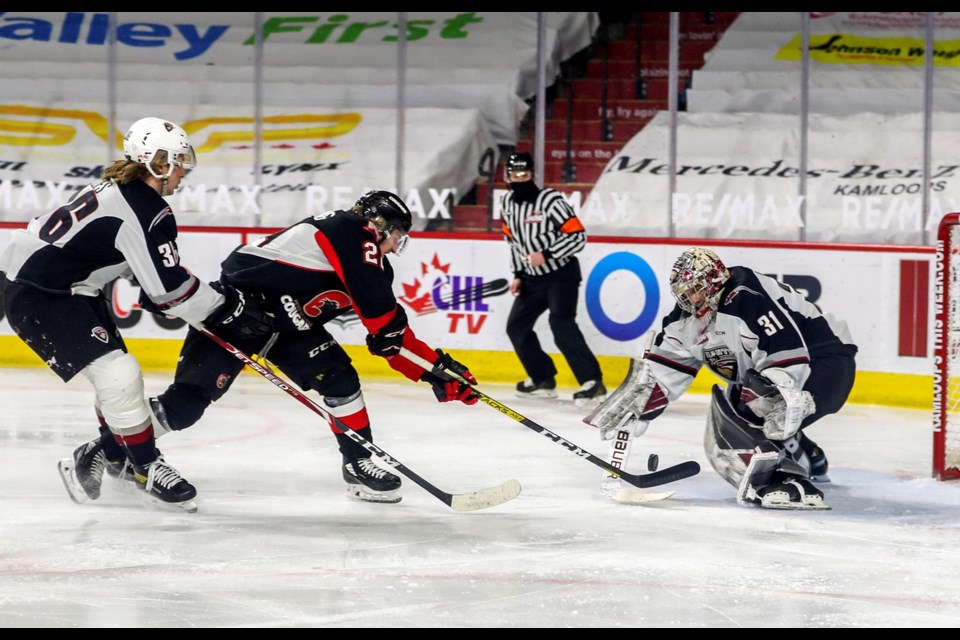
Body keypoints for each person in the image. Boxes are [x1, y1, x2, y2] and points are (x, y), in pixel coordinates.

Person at [70, 190, 480, 505]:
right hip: (237, 316)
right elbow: (236, 267)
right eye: (395, 237)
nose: (394, 247)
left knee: (340, 379)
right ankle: (102, 450)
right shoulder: (348, 232)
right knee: (188, 403)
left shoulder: (366, 257)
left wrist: (434, 371)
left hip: (290, 331)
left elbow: (388, 338)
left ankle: (357, 462)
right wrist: (432, 366)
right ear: (377, 225)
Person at [0, 117, 272, 512]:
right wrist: (225, 310)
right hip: (41, 294)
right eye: (177, 162)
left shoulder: (123, 191)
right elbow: (171, 290)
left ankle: (116, 457)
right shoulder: (146, 209)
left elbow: (119, 255)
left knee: (116, 378)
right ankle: (145, 466)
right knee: (119, 374)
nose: (183, 171)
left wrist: (158, 285)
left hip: (66, 286)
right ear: (157, 162)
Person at [584, 247, 858, 510]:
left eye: (695, 290)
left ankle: (787, 480)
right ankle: (806, 456)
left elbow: (787, 352)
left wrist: (778, 397)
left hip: (825, 363)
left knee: (753, 406)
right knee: (734, 412)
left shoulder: (746, 295)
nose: (691, 300)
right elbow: (666, 369)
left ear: (715, 279)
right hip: (780, 370)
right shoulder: (683, 321)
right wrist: (640, 403)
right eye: (685, 293)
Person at [499, 151, 605, 405]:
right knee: (516, 326)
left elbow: (578, 236)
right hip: (531, 279)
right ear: (508, 178)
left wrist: (547, 254)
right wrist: (518, 274)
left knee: (561, 324)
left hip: (561, 276)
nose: (520, 179)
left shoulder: (550, 200)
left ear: (533, 175)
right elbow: (512, 242)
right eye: (515, 175)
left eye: (524, 174)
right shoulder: (507, 204)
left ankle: (593, 382)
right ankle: (542, 378)